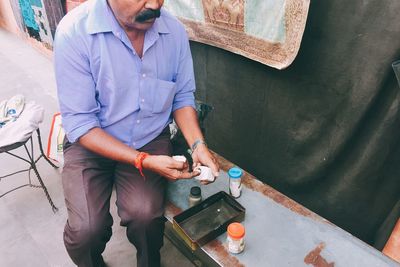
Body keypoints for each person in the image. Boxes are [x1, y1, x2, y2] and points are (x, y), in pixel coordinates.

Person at [53, 0, 219, 266]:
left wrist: (198, 144)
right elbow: (81, 122)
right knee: (86, 230)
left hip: (149, 139)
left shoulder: (173, 33)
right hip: (91, 142)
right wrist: (141, 161)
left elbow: (182, 97)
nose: (154, 4)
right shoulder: (74, 33)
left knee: (146, 217)